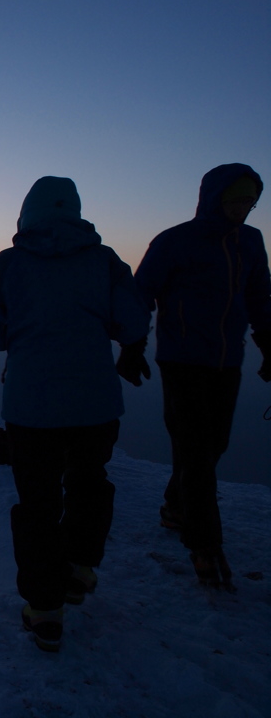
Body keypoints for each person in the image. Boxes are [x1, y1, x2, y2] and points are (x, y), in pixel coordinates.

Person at [0, 176, 149, 652]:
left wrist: (29, 329)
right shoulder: (105, 260)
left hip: (31, 408)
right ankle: (79, 570)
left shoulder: (8, 264)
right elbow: (132, 321)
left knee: (38, 505)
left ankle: (45, 612)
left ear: (27, 213)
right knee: (89, 482)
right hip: (95, 404)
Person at [123, 163, 271, 590]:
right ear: (215, 198)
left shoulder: (251, 241)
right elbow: (142, 293)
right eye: (236, 199)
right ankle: (204, 545)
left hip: (227, 360)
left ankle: (175, 505)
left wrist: (268, 341)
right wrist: (133, 345)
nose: (243, 207)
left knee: (213, 444)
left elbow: (259, 293)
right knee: (194, 446)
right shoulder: (175, 242)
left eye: (250, 200)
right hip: (182, 359)